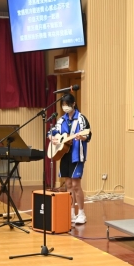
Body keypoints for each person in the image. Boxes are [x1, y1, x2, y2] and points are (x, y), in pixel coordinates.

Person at [49, 93, 92, 225]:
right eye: (63, 105)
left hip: (77, 155)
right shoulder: (61, 120)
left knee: (76, 185)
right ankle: (71, 212)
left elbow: (88, 134)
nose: (65, 107)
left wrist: (82, 137)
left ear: (73, 104)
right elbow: (52, 132)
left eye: (67, 104)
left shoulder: (81, 118)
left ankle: (82, 213)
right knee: (68, 184)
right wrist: (52, 138)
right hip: (64, 154)